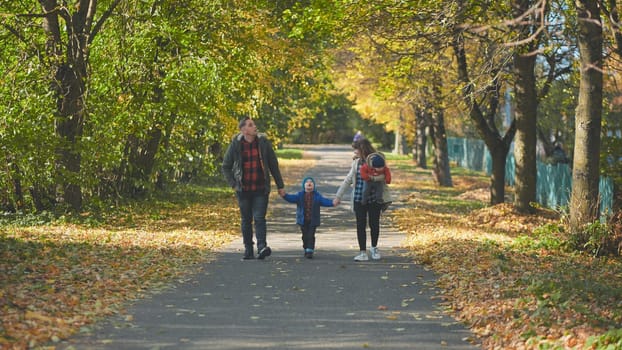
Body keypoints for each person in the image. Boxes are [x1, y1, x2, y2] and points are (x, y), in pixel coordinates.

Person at [222, 116, 285, 260]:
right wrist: (233, 183)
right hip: (243, 190)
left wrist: (280, 186)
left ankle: (262, 247)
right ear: (243, 129)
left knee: (259, 218)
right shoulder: (235, 145)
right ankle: (248, 249)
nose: (254, 127)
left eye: (254, 124)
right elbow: (226, 166)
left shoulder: (263, 143)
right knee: (246, 220)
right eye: (251, 125)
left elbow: (273, 165)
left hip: (260, 188)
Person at [334, 138, 386, 261]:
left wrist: (373, 178)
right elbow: (348, 180)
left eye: (356, 149)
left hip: (374, 198)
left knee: (374, 224)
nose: (354, 152)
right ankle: (362, 252)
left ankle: (374, 248)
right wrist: (338, 196)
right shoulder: (356, 163)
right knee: (360, 225)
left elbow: (384, 176)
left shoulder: (377, 160)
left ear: (362, 149)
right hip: (358, 198)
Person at [280, 177, 338, 259]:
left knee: (311, 235)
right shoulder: (299, 195)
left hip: (313, 220)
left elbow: (324, 201)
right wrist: (284, 195)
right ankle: (306, 247)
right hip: (303, 220)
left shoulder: (317, 196)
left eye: (311, 182)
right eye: (307, 182)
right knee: (305, 236)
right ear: (304, 185)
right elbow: (291, 198)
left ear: (314, 186)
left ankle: (310, 250)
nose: (309, 183)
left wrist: (332, 203)